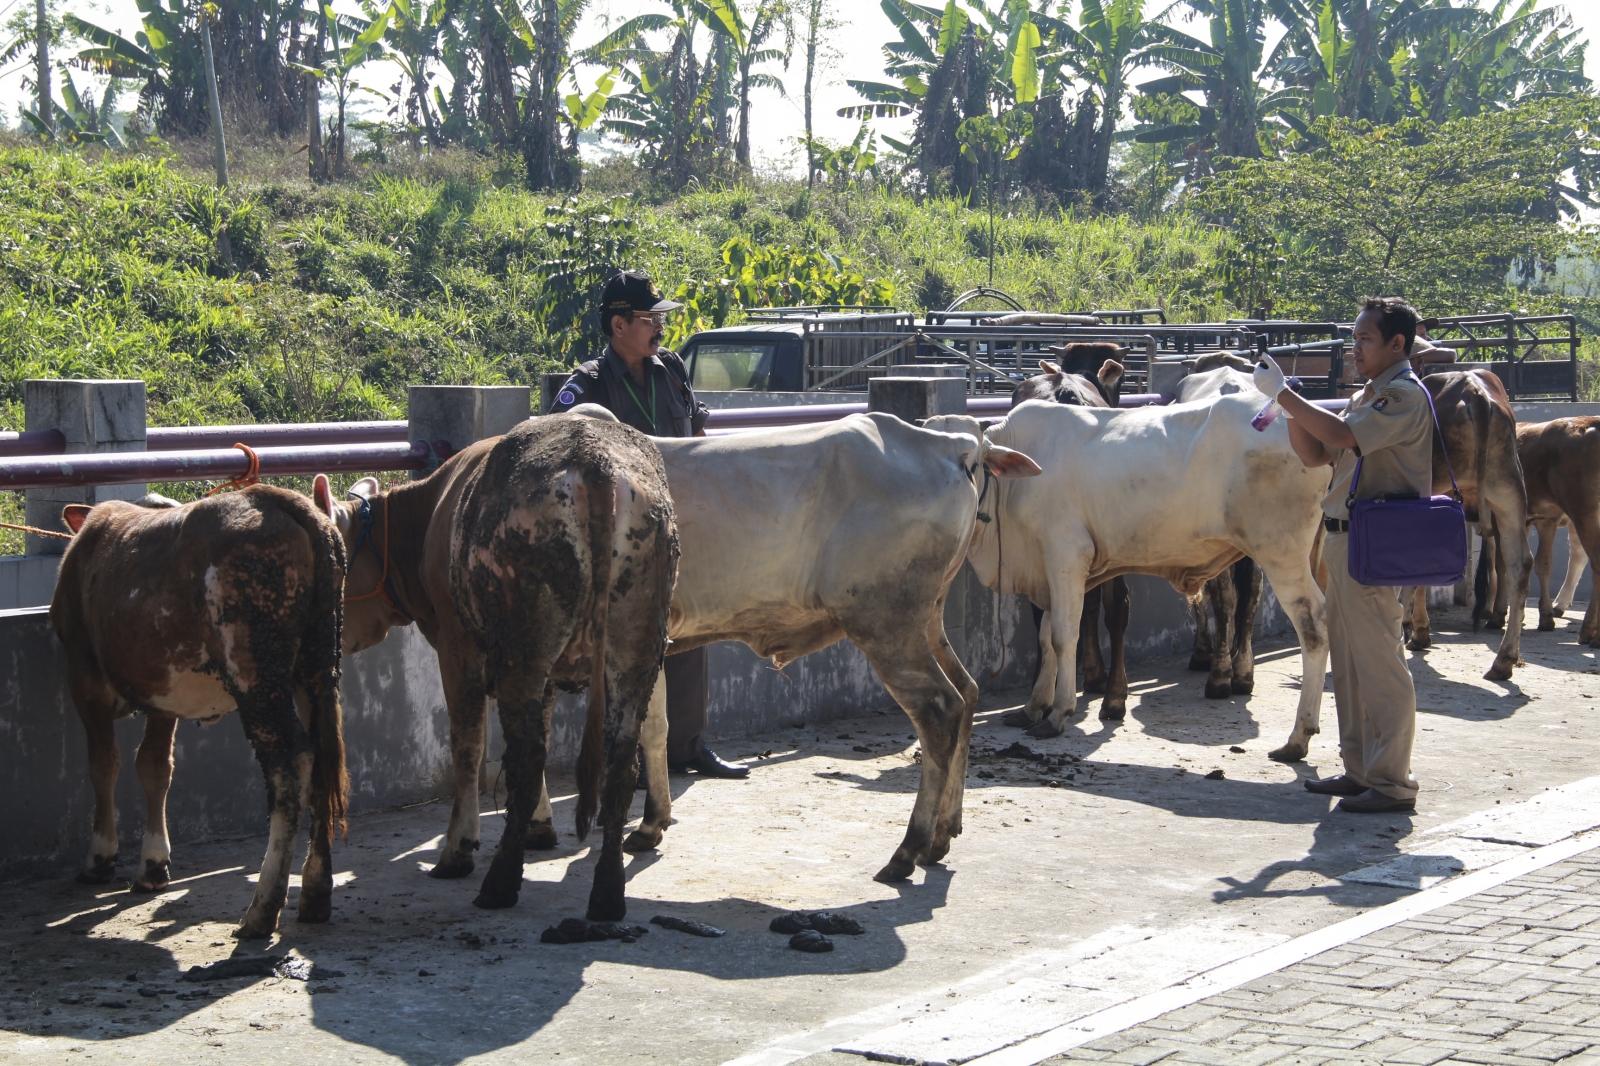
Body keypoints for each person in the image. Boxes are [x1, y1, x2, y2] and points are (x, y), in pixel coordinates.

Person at [549, 270, 749, 779]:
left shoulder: (672, 369)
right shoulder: (588, 387)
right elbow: (557, 448)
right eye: (649, 319)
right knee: (624, 646)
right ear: (618, 325)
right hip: (619, 543)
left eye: (661, 317)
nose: (660, 327)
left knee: (689, 634)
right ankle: (630, 755)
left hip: (678, 530)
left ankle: (686, 746)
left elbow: (699, 432)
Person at [1255, 296, 1435, 815]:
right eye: (1354, 338)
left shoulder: (1402, 396)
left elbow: (1340, 434)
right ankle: (1361, 771)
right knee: (1351, 666)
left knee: (1380, 663)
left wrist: (1286, 395)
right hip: (1345, 537)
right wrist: (1286, 405)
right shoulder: (1370, 394)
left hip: (1374, 538)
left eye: (1365, 339)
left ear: (1397, 344)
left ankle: (1392, 782)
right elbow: (1316, 452)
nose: (1354, 348)